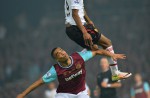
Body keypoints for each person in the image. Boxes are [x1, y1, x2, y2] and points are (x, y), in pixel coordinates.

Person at [17, 47, 126, 98]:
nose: (62, 53)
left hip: (81, 92)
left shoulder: (79, 57)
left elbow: (97, 51)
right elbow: (39, 82)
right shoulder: (55, 70)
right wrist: (22, 94)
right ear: (57, 59)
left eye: (61, 50)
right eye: (58, 54)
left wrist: (112, 55)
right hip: (64, 95)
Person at [64, 0, 131, 81]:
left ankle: (71, 65)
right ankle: (115, 73)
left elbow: (80, 9)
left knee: (94, 48)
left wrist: (88, 20)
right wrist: (84, 32)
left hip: (72, 28)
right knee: (107, 43)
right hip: (77, 27)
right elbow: (75, 14)